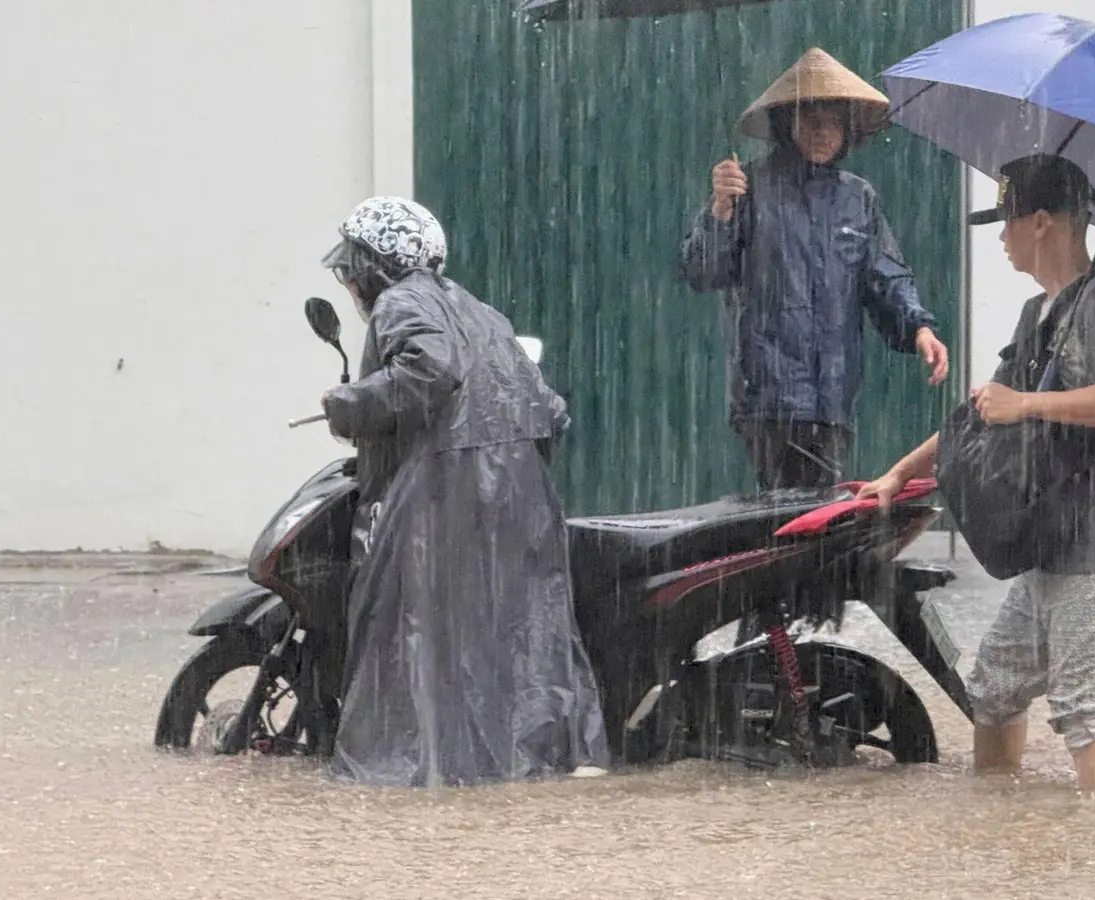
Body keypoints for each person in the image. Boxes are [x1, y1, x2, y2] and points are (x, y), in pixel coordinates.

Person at [857, 155, 1095, 794]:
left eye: (1004, 223)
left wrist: (1026, 404)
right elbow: (979, 415)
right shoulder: (1039, 315)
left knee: (1086, 713)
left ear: (1039, 224)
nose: (999, 239)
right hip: (1050, 548)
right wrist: (896, 475)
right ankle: (1004, 829)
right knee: (995, 690)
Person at [317, 196, 611, 787]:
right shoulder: (480, 310)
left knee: (414, 630)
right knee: (520, 630)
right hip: (521, 491)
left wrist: (347, 404)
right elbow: (550, 408)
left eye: (353, 267)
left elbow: (431, 367)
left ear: (375, 267)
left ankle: (415, 770)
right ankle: (538, 758)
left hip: (447, 488)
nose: (348, 281)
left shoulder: (402, 301)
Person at [677, 47, 950, 492]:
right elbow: (702, 270)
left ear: (848, 131)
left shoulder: (858, 198)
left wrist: (919, 327)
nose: (824, 133)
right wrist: (721, 210)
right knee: (803, 513)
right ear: (789, 126)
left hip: (835, 395)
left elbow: (884, 274)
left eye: (835, 123)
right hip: (770, 394)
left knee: (815, 514)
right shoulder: (750, 188)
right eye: (812, 121)